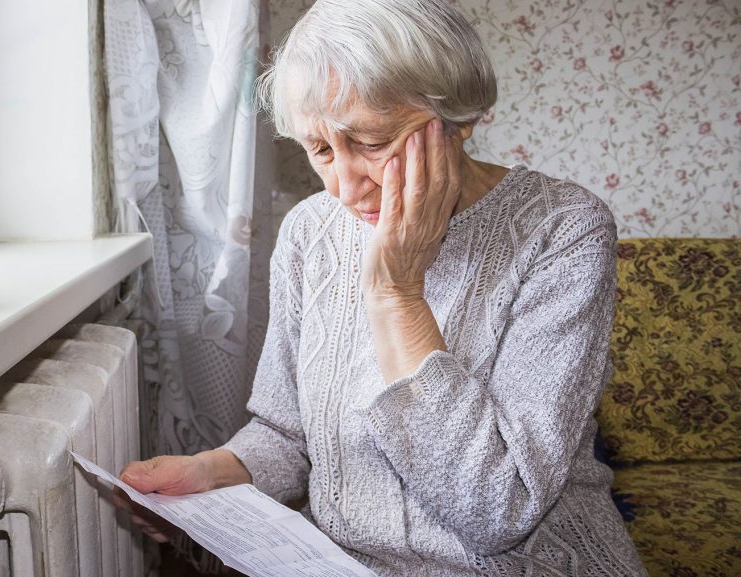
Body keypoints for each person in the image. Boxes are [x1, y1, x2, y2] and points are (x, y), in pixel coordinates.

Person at [120, 0, 648, 574]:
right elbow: (287, 435)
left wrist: (397, 294)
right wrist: (211, 472)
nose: (345, 189)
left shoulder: (563, 229)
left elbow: (500, 508)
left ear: (458, 117)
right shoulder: (308, 233)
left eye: (372, 143)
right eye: (321, 150)